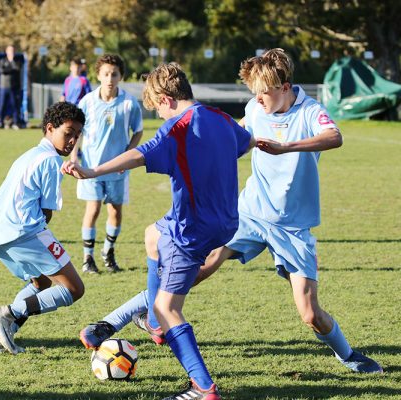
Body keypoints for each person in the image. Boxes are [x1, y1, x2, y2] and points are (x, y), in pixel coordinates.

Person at [132, 49, 384, 375]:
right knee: (202, 267)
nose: (258, 99)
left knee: (311, 315)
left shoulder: (310, 111)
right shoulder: (254, 108)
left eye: (264, 92)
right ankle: (150, 313)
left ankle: (349, 355)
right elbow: (232, 139)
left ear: (285, 86)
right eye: (255, 92)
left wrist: (287, 146)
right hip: (250, 212)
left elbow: (334, 137)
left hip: (292, 226)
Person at [65, 62, 253, 400]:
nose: (158, 116)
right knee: (152, 234)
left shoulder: (176, 129)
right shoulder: (223, 119)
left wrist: (92, 172)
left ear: (165, 99)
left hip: (192, 228)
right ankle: (152, 321)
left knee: (169, 307)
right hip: (226, 221)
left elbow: (137, 155)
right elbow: (246, 142)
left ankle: (203, 388)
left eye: (156, 108)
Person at [0, 102, 86, 355]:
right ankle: (6, 314)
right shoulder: (52, 161)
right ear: (50, 128)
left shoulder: (29, 154)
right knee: (75, 289)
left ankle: (2, 337)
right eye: (68, 132)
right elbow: (46, 212)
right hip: (23, 230)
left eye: (77, 135)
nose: (73, 140)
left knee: (41, 281)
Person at [72, 54, 143, 274]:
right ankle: (87, 258)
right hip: (90, 168)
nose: (110, 78)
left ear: (121, 76)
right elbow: (77, 131)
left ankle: (108, 252)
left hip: (117, 169)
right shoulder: (87, 102)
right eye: (106, 74)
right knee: (92, 210)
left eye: (114, 74)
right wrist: (74, 156)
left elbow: (138, 130)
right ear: (98, 75)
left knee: (115, 211)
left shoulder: (129, 103)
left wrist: (128, 155)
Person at [0, 45, 23, 129]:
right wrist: (11, 68)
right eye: (10, 51)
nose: (11, 53)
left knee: (15, 105)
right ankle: (0, 122)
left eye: (13, 51)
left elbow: (17, 68)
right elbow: (2, 71)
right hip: (4, 87)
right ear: (6, 51)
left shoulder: (17, 61)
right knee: (2, 105)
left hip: (14, 87)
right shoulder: (2, 61)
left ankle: (16, 123)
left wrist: (11, 62)